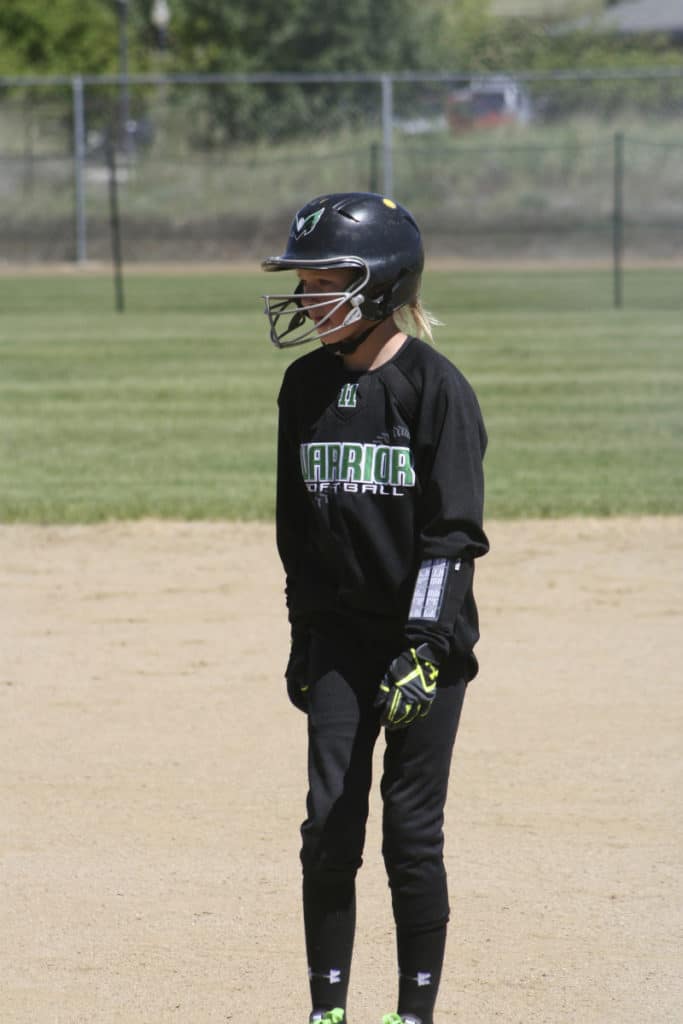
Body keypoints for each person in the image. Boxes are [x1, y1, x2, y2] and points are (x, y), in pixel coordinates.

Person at [261, 192, 489, 1024]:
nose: (307, 298)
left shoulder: (434, 388)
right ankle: (326, 1010)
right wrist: (302, 634)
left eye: (325, 284)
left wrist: (423, 648)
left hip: (423, 647)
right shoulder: (304, 386)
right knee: (328, 824)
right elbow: (298, 530)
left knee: (409, 833)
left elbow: (451, 536)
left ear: (382, 286)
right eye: (305, 283)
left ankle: (412, 1014)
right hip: (339, 642)